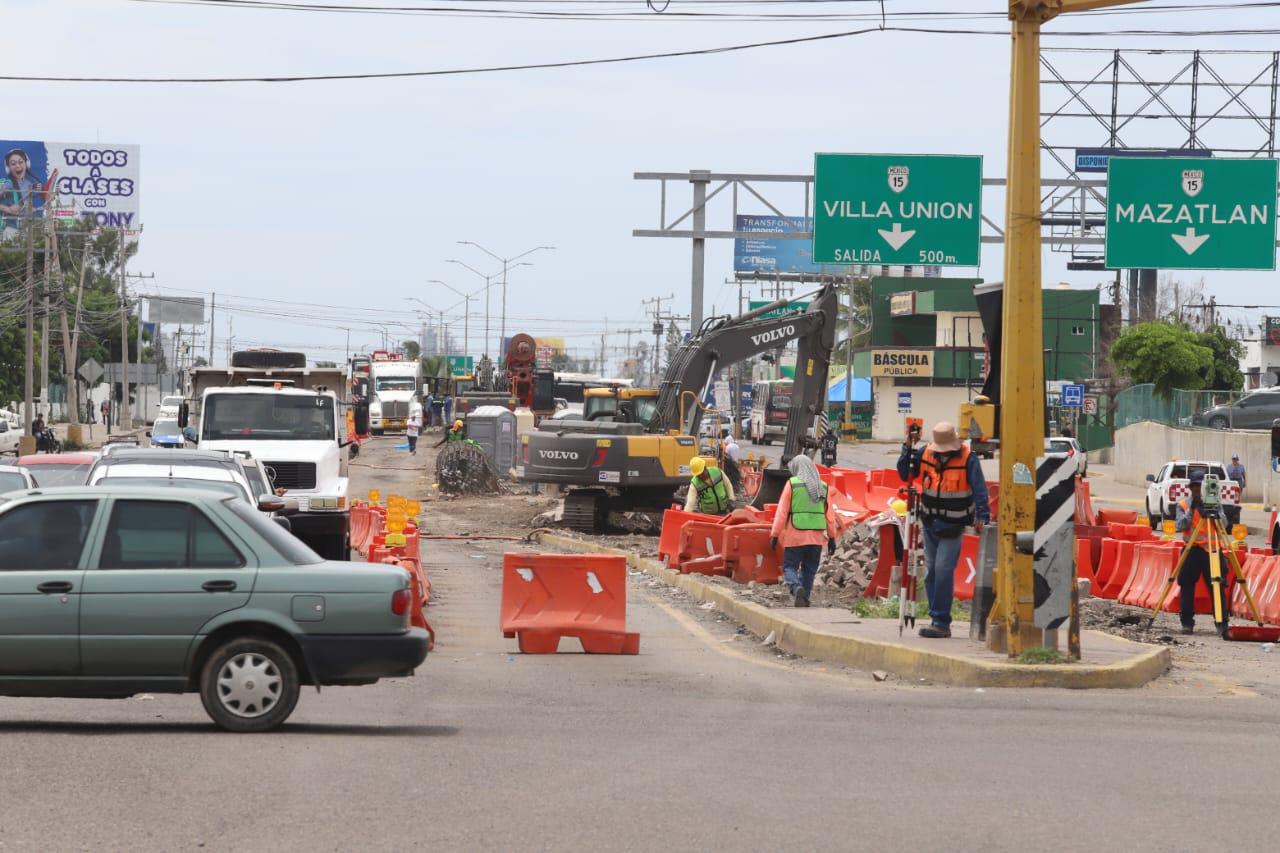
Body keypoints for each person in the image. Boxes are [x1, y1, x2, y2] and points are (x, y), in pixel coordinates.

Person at [897, 420, 990, 638]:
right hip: (930, 522)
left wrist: (982, 515)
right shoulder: (925, 453)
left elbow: (980, 489)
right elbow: (904, 473)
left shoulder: (968, 458)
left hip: (954, 525)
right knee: (931, 572)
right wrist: (907, 446)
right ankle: (936, 619)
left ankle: (941, 622)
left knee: (943, 570)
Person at [769, 454, 840, 607]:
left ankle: (796, 588)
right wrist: (832, 538)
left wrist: (774, 534)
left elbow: (782, 512)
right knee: (809, 570)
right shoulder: (823, 487)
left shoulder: (792, 484)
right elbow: (830, 516)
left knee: (789, 567)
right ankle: (804, 599)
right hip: (816, 537)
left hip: (795, 536)